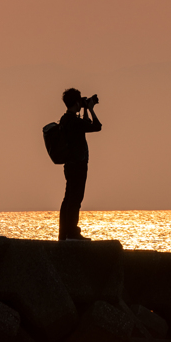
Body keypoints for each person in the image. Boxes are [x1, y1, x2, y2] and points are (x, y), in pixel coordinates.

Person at [58, 87, 102, 241]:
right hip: (78, 165)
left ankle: (64, 233)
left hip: (70, 165)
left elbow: (84, 125)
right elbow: (97, 126)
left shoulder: (66, 120)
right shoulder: (73, 121)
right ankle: (72, 233)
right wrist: (90, 109)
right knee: (76, 199)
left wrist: (84, 110)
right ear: (77, 103)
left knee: (68, 198)